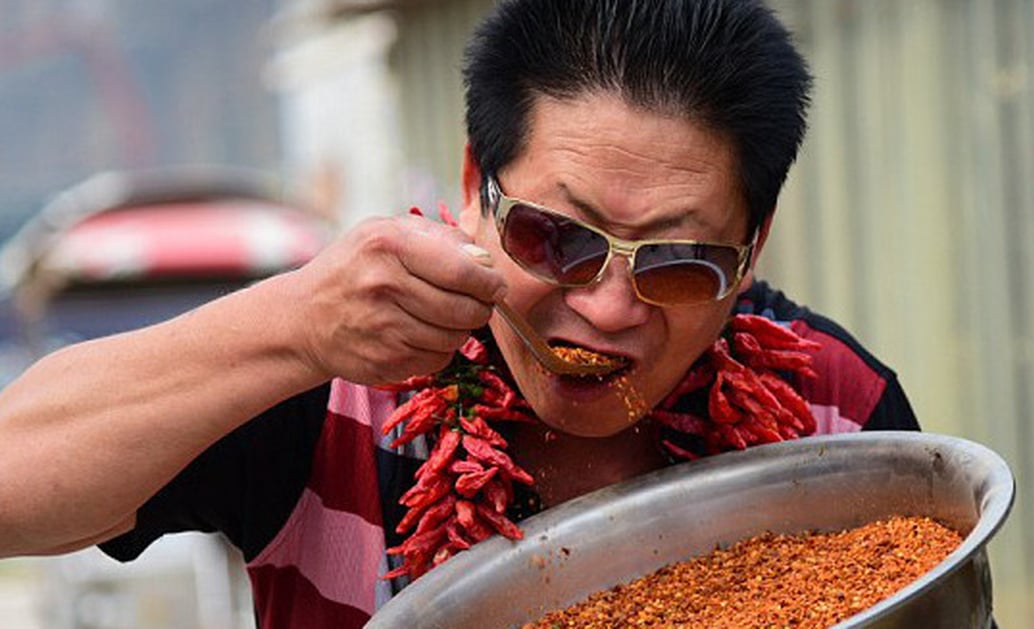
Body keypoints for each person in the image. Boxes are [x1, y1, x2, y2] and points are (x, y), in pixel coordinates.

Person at [0, 0, 918, 626]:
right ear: (476, 184)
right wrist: (291, 326)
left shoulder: (833, 411)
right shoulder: (334, 384)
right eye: (558, 237)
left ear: (752, 249)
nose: (604, 308)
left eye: (679, 264)